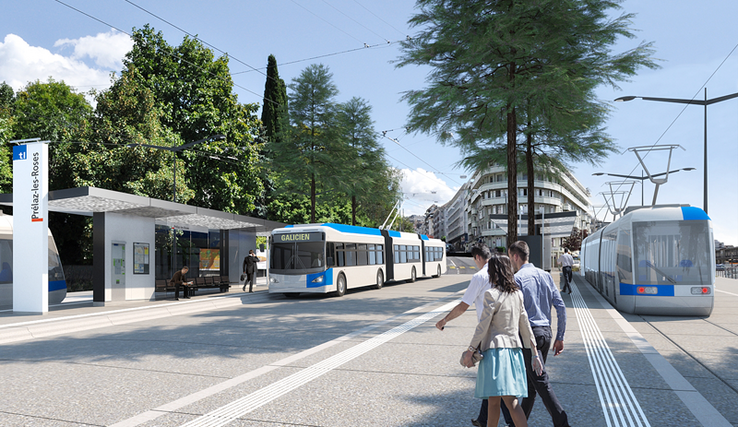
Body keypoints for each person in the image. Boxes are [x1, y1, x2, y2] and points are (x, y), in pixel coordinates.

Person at [461, 255, 543, 427]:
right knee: (494, 400)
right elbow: (525, 325)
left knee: (509, 402)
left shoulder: (491, 294)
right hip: (514, 353)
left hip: (496, 354)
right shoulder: (517, 295)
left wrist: (470, 350)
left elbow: (482, 326)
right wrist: (535, 353)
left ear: (494, 272)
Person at [435, 243, 508, 427]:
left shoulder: (480, 276)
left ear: (477, 258)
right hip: (507, 331)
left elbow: (463, 305)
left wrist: (444, 320)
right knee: (495, 376)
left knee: (495, 380)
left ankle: (510, 421)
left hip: (488, 332)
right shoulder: (503, 273)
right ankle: (484, 419)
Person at [508, 240, 571, 427]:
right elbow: (560, 306)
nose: (511, 262)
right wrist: (560, 336)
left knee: (540, 381)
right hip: (547, 334)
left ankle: (562, 421)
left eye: (511, 258)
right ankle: (517, 423)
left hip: (529, 336)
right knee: (532, 382)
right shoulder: (546, 276)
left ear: (516, 257)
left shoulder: (517, 279)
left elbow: (513, 313)